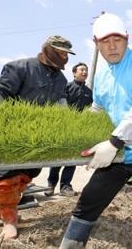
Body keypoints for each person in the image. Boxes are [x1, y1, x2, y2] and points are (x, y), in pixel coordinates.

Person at [59, 13, 132, 249]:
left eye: (118, 40)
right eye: (105, 41)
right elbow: (97, 109)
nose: (112, 46)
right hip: (119, 154)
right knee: (89, 202)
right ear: (96, 43)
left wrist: (113, 142)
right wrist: (80, 140)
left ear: (127, 39)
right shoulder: (101, 74)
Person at [0, 35, 75, 241]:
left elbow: (60, 105)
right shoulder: (20, 67)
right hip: (11, 132)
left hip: (37, 136)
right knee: (8, 174)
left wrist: (67, 129)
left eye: (67, 54)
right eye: (61, 52)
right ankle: (9, 219)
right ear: (48, 50)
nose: (65, 57)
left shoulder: (61, 79)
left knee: (30, 171)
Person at [45, 62, 93, 197]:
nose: (84, 72)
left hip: (78, 129)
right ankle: (51, 184)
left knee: (72, 157)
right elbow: (59, 104)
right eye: (81, 70)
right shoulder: (66, 87)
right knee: (59, 156)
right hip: (63, 127)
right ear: (74, 73)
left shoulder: (89, 92)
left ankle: (65, 186)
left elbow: (89, 110)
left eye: (86, 70)